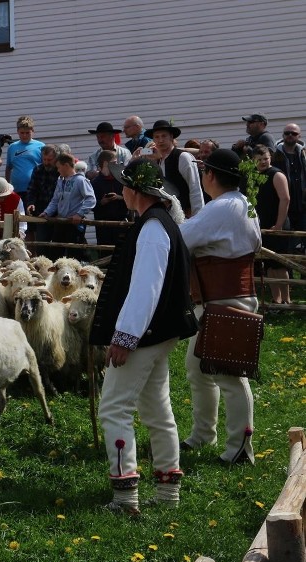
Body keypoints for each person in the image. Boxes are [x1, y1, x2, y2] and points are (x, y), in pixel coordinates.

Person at [90, 158, 198, 515]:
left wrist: (125, 337)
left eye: (124, 185)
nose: (121, 190)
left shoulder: (153, 228)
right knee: (156, 409)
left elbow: (146, 288)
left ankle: (125, 498)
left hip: (145, 334)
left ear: (135, 191)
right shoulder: (160, 223)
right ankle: (168, 493)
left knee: (114, 407)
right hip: (158, 333)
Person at [179, 148, 262, 465]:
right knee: (198, 368)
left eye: (203, 171)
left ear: (210, 175)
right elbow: (257, 243)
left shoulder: (223, 207)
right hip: (222, 298)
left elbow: (181, 238)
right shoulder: (242, 204)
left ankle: (241, 449)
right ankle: (203, 435)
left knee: (228, 374)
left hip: (223, 299)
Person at [141, 120, 205, 218]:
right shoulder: (156, 160)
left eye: (164, 136)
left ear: (171, 137)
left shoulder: (183, 157)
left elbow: (195, 189)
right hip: (165, 216)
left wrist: (198, 217)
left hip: (186, 215)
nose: (160, 140)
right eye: (157, 137)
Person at [253, 145, 291, 305]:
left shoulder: (276, 174)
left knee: (279, 265)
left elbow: (285, 199)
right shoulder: (254, 176)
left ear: (271, 158)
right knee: (268, 265)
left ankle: (287, 300)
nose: (263, 162)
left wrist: (279, 224)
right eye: (259, 159)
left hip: (277, 224)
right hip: (263, 225)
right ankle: (276, 299)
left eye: (266, 158)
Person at [39, 153, 96, 260]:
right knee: (55, 252)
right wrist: (47, 212)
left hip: (73, 223)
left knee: (74, 254)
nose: (57, 170)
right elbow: (55, 200)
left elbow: (91, 199)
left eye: (59, 167)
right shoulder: (60, 180)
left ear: (66, 165)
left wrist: (79, 214)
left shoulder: (80, 180)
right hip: (61, 221)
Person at [273, 124, 306, 251]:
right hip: (283, 207)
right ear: (283, 135)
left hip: (302, 207)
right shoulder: (275, 155)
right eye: (287, 133)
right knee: (285, 245)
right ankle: (286, 271)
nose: (290, 136)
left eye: (293, 133)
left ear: (299, 136)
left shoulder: (304, 154)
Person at [26, 144, 60, 253]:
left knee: (57, 244)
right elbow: (32, 189)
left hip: (59, 212)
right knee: (41, 244)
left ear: (56, 159)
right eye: (44, 159)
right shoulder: (37, 169)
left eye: (49, 160)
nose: (46, 162)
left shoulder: (61, 171)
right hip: (41, 211)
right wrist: (31, 203)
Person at [5, 116, 45, 208]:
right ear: (17, 131)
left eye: (28, 133)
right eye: (22, 133)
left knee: (32, 218)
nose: (25, 135)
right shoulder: (12, 147)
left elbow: (45, 167)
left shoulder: (40, 146)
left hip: (35, 190)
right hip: (17, 190)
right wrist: (7, 186)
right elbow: (8, 167)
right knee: (18, 218)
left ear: (33, 131)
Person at [91, 150, 128, 248]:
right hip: (103, 227)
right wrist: (102, 202)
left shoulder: (122, 180)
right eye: (114, 163)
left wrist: (120, 198)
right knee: (104, 252)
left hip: (121, 223)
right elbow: (90, 205)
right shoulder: (95, 183)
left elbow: (132, 201)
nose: (116, 165)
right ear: (105, 163)